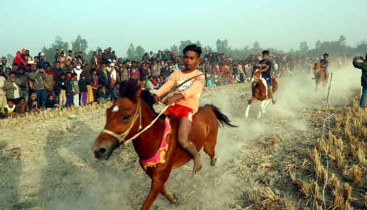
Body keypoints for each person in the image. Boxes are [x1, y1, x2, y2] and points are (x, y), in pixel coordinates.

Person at [152, 44, 205, 175]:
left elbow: (194, 89)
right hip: (172, 107)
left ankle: (196, 155)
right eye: (186, 57)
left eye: (192, 58)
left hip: (187, 108)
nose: (188, 61)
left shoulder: (199, 75)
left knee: (182, 139)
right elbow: (167, 85)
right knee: (157, 131)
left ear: (198, 60)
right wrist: (157, 94)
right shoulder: (177, 74)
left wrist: (178, 96)